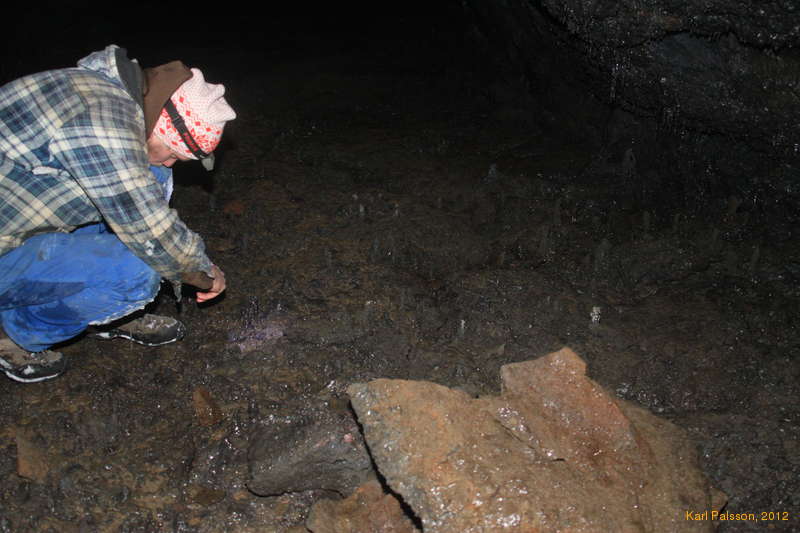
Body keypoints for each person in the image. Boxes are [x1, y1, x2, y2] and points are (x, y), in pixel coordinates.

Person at [0, 45, 235, 383]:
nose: (171, 162)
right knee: (141, 269)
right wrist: (206, 274)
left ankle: (106, 309)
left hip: (19, 216)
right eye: (174, 153)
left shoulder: (112, 97)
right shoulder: (102, 124)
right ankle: (13, 334)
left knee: (153, 174)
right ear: (164, 124)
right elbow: (152, 234)